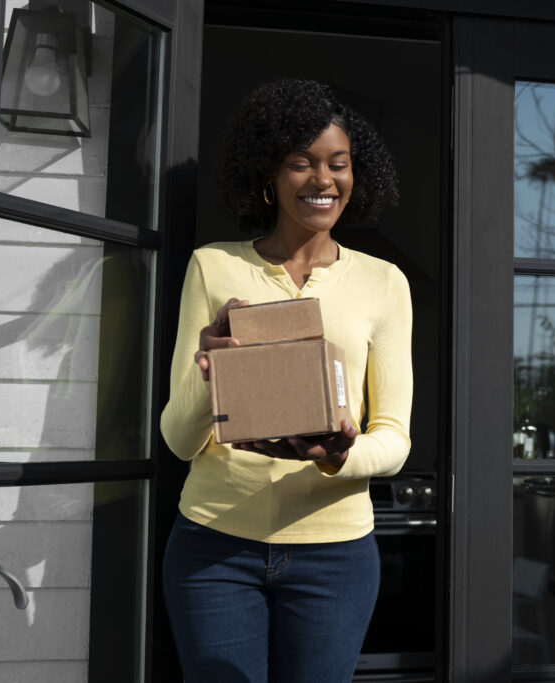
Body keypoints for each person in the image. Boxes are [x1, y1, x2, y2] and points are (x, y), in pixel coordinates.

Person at [159, 78, 412, 682]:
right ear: (269, 175)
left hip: (337, 556)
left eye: (338, 164)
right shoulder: (213, 265)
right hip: (214, 544)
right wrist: (208, 367)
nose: (322, 180)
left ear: (358, 176)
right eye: (300, 163)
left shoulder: (384, 282)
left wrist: (338, 455)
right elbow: (177, 438)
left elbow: (394, 439)